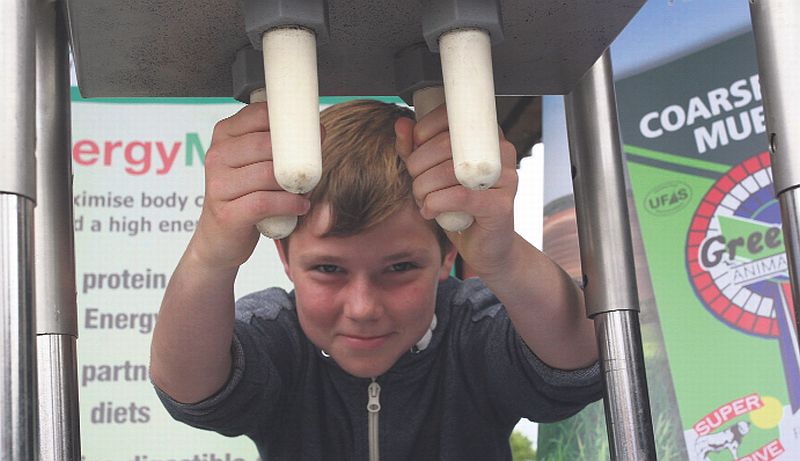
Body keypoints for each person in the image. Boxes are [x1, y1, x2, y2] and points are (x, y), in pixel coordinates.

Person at [150, 99, 602, 460]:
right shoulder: (278, 334)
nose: (363, 307)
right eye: (329, 269)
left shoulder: (473, 325)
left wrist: (503, 258)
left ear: (448, 254)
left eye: (400, 268)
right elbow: (192, 391)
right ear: (285, 257)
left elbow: (579, 365)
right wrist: (210, 257)